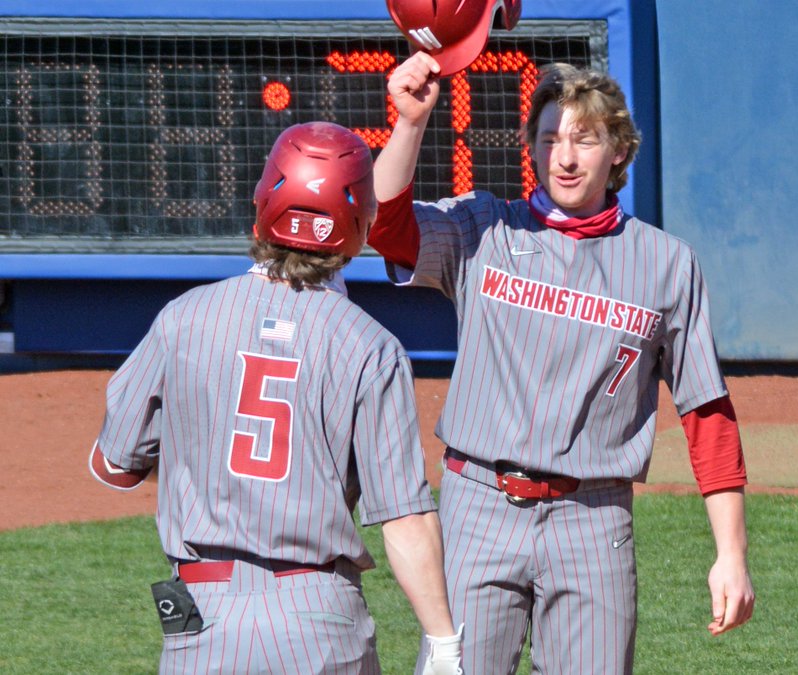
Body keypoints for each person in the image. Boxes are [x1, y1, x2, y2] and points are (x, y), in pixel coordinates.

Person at [367, 53, 755, 674]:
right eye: (550, 139)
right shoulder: (484, 230)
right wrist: (409, 123)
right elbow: (386, 229)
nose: (565, 157)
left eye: (584, 139)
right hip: (478, 507)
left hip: (593, 519)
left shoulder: (666, 263)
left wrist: (730, 554)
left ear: (619, 151)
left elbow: (708, 412)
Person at [88, 121, 463, 675]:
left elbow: (115, 465)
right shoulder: (371, 347)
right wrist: (443, 641)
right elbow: (403, 517)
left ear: (264, 201)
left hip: (202, 619)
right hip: (319, 621)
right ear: (361, 223)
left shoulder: (183, 318)